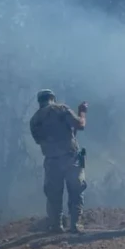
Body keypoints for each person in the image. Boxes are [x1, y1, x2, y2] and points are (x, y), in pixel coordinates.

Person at [29, 88, 88, 233]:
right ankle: (75, 225)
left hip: (51, 161)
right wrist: (82, 112)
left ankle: (56, 226)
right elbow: (80, 125)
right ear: (52, 98)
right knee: (76, 191)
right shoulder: (61, 109)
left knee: (53, 196)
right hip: (71, 157)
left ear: (39, 101)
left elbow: (40, 140)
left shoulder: (35, 120)